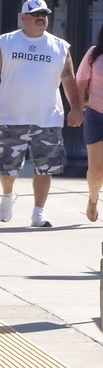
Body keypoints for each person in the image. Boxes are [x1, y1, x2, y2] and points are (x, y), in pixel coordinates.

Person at [0, 0, 83, 228]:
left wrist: (76, 108)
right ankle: (8, 195)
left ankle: (39, 212)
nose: (41, 18)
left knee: (45, 168)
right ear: (23, 17)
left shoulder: (59, 47)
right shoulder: (5, 43)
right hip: (11, 116)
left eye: (44, 14)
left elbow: (69, 79)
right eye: (36, 14)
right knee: (6, 168)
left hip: (47, 118)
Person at [75, 24, 103, 222]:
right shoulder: (94, 54)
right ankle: (93, 198)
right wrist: (77, 109)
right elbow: (81, 81)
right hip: (96, 115)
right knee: (96, 170)